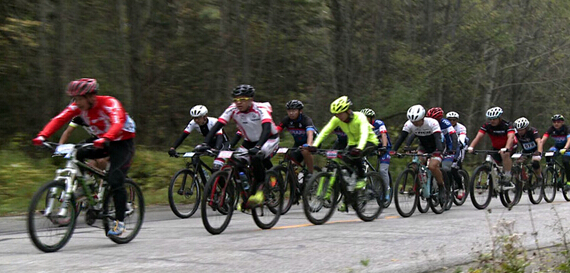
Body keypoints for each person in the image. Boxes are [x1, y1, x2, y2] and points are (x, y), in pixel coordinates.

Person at [32, 78, 136, 237]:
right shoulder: (77, 107)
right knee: (78, 153)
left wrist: (107, 137)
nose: (77, 102)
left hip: (122, 141)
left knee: (115, 179)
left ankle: (120, 223)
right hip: (102, 139)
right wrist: (43, 136)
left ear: (91, 97)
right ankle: (86, 185)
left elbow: (118, 121)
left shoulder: (110, 103)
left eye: (80, 98)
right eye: (74, 99)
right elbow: (59, 119)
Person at [195, 85, 279, 208]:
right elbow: (216, 127)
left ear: (251, 99)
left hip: (268, 139)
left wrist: (259, 146)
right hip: (249, 141)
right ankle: (246, 190)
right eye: (236, 100)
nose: (238, 103)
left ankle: (261, 189)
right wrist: (205, 144)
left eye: (243, 99)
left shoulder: (260, 108)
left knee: (256, 158)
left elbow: (266, 129)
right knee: (235, 162)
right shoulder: (232, 109)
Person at [310, 96, 379, 212]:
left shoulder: (359, 117)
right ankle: (348, 198)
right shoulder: (337, 119)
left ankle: (362, 178)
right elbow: (325, 131)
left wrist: (360, 148)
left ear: (348, 111)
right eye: (336, 114)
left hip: (369, 141)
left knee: (356, 157)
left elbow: (364, 133)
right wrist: (315, 145)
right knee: (343, 169)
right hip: (352, 143)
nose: (338, 117)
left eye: (340, 114)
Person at [390, 105, 446, 194]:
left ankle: (441, 186)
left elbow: (437, 138)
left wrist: (438, 151)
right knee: (415, 165)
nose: (415, 124)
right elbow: (402, 137)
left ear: (423, 118)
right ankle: (420, 185)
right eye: (413, 121)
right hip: (423, 146)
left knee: (432, 166)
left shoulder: (432, 123)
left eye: (417, 121)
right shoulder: (409, 124)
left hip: (437, 146)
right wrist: (394, 150)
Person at [168, 104, 228, 171]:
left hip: (222, 144)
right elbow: (183, 136)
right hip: (210, 144)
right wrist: (173, 148)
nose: (196, 120)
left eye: (198, 118)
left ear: (205, 117)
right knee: (195, 153)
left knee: (216, 168)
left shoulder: (214, 121)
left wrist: (216, 149)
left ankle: (218, 178)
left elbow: (219, 137)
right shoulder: (193, 123)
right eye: (194, 118)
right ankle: (201, 176)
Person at [467, 107, 517, 185]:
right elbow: (478, 137)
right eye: (490, 119)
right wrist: (471, 147)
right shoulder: (487, 126)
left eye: (494, 119)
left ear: (499, 118)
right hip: (496, 147)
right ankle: (494, 183)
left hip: (510, 145)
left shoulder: (507, 125)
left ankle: (508, 175)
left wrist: (507, 148)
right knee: (490, 159)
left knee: (504, 154)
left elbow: (511, 137)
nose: (492, 121)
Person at [276, 100, 316, 178]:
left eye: (294, 111)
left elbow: (310, 133)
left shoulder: (306, 120)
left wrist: (309, 145)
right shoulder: (286, 120)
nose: (291, 113)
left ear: (300, 111)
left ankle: (311, 174)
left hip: (313, 141)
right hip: (298, 143)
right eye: (289, 111)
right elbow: (277, 131)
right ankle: (296, 181)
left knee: (305, 151)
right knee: (291, 162)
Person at [360, 108, 392, 200]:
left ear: (371, 119)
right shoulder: (360, 126)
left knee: (382, 170)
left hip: (384, 147)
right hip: (370, 147)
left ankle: (387, 190)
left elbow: (384, 135)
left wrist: (384, 147)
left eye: (367, 118)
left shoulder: (379, 123)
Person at [540, 114, 570, 189]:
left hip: (568, 147)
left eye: (558, 122)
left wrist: (565, 148)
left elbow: (569, 139)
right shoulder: (551, 129)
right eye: (554, 122)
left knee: (565, 161)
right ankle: (555, 173)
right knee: (548, 156)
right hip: (557, 147)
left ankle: (569, 182)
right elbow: (543, 140)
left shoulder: (566, 129)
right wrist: (539, 149)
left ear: (562, 122)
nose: (556, 124)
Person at [445, 111, 469, 198]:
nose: (451, 122)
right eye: (449, 120)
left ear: (457, 120)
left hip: (460, 146)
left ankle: (460, 187)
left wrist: (460, 144)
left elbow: (462, 137)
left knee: (454, 167)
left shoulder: (461, 127)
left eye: (454, 120)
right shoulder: (444, 126)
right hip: (448, 146)